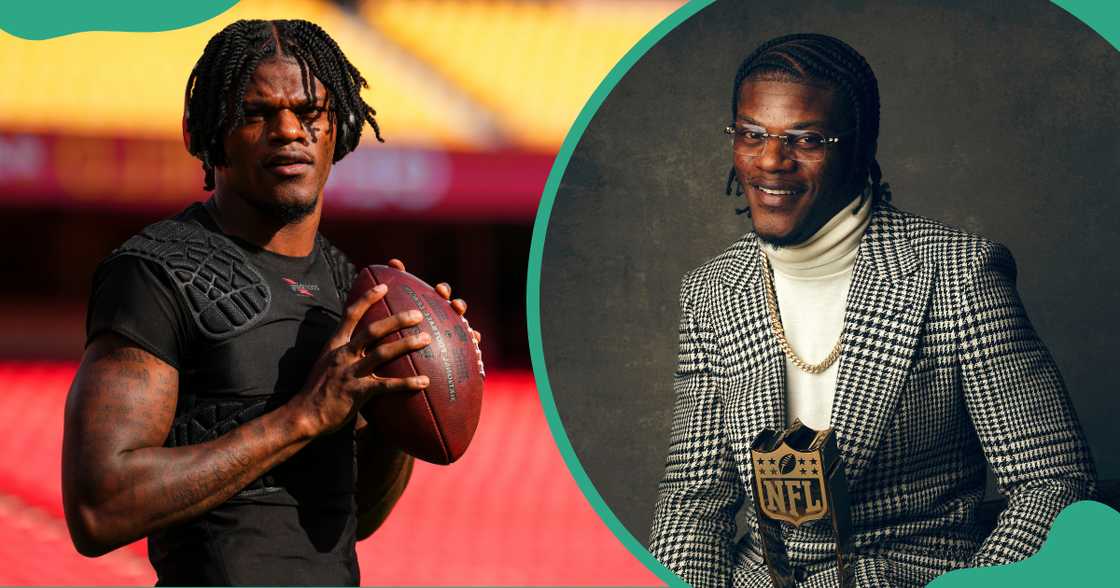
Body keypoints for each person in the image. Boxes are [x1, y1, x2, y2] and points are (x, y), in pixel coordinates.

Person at [648, 33, 1096, 587]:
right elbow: (694, 498)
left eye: (806, 139)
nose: (771, 160)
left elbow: (1053, 481)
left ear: (857, 147)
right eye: (751, 134)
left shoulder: (957, 274)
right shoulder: (713, 290)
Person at [61, 19, 478, 585]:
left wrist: (401, 390)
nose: (288, 130)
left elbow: (359, 520)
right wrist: (301, 418)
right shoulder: (155, 273)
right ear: (204, 133)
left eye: (310, 112)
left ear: (340, 127)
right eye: (256, 113)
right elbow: (97, 508)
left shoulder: (348, 287)